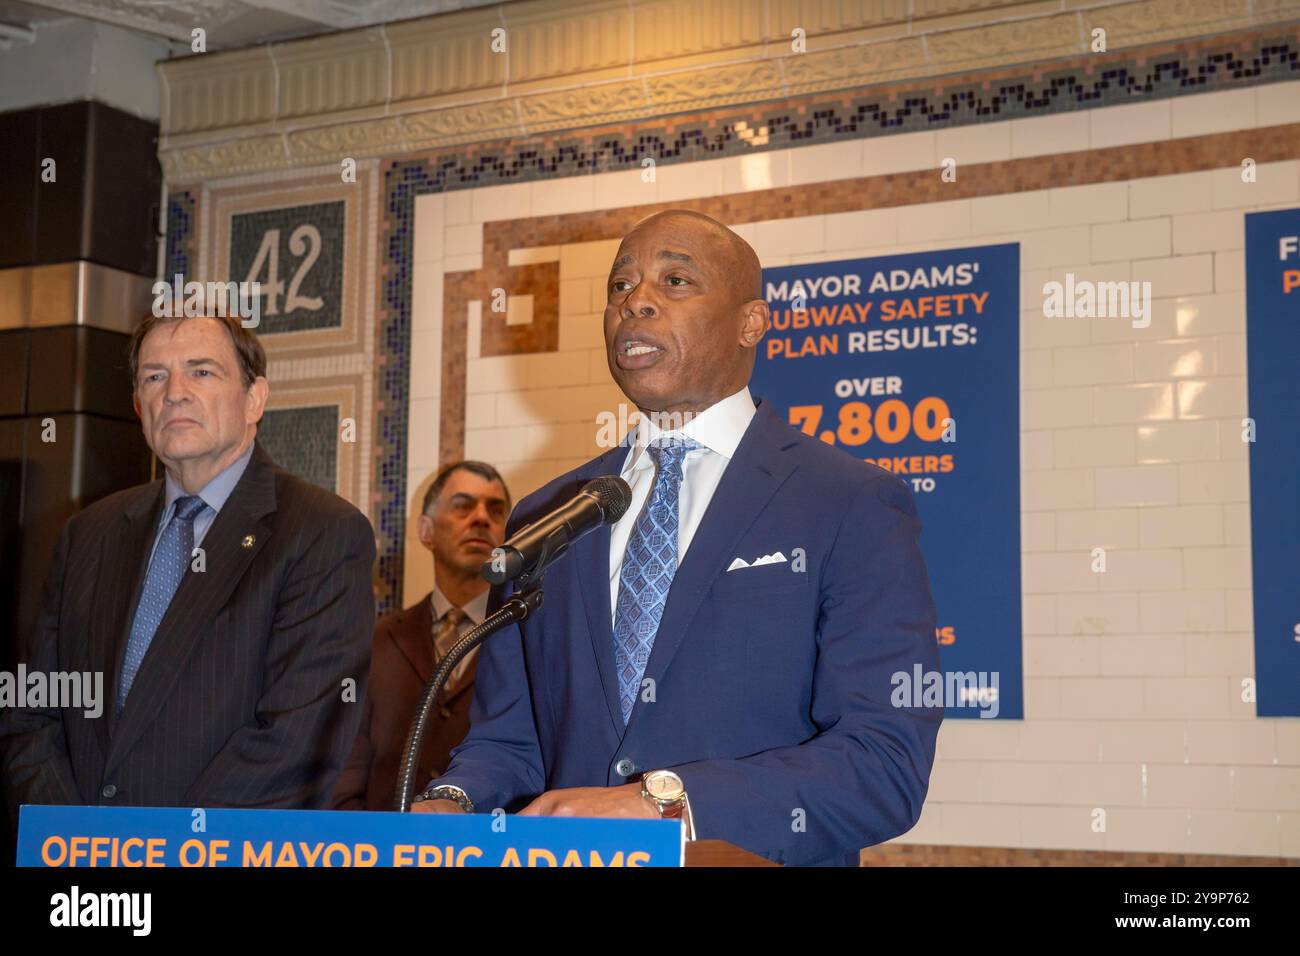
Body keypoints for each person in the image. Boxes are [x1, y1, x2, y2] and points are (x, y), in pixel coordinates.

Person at [413, 209, 943, 866]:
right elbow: (511, 740)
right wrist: (454, 799)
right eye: (619, 287)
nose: (635, 301)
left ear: (752, 321)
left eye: (675, 281)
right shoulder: (548, 518)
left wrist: (665, 803)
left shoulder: (847, 502)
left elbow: (884, 763)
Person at [0, 310, 375, 823]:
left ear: (254, 398)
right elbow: (32, 711)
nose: (174, 391)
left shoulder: (322, 532)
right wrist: (76, 838)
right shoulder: (88, 533)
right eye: (155, 376)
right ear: (138, 404)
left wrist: (158, 850)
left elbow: (296, 739)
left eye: (201, 371)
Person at [331, 461, 510, 811]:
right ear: (426, 531)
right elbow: (345, 777)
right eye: (462, 506)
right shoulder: (374, 641)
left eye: (496, 509)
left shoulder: (526, 634)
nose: (481, 518)